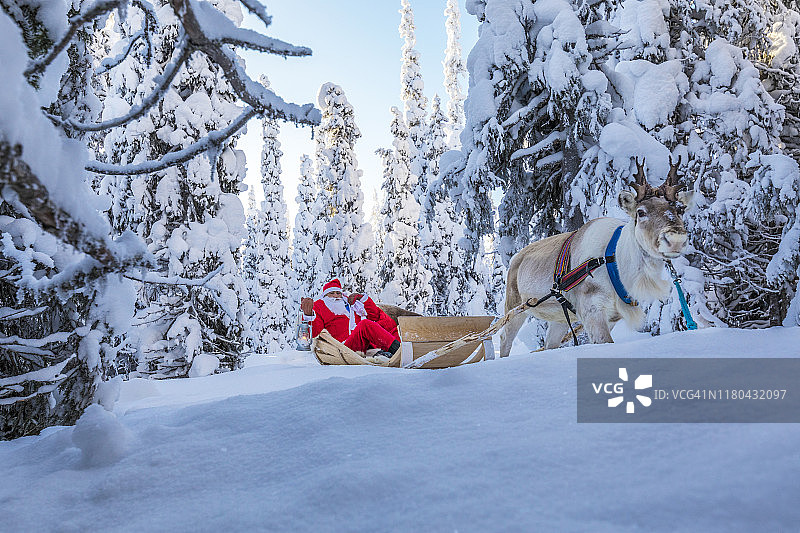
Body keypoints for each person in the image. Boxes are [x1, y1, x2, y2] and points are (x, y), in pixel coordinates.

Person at [300, 278, 401, 357]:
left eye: (338, 293)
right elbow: (314, 332)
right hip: (342, 348)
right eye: (331, 293)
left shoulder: (352, 305)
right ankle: (399, 350)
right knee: (365, 325)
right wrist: (308, 316)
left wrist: (363, 299)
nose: (336, 296)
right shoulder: (320, 306)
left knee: (379, 325)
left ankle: (393, 351)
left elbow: (375, 315)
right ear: (325, 295)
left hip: (362, 344)